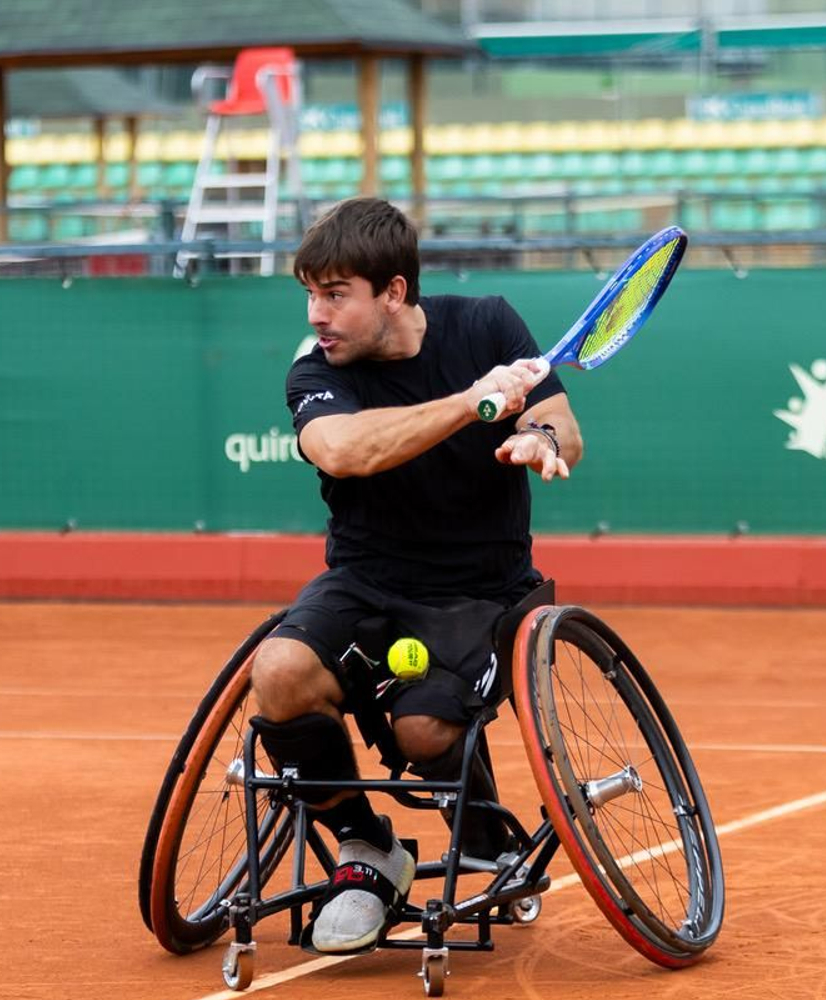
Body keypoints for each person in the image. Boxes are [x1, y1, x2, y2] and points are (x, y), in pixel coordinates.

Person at [248, 197, 583, 954]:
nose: (316, 313)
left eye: (335, 294)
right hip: (363, 582)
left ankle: (489, 825)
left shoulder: (488, 325)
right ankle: (369, 851)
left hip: (482, 589)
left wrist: (536, 436)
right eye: (309, 293)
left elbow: (564, 426)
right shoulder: (315, 369)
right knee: (277, 671)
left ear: (394, 292)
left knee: (423, 728)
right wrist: (473, 403)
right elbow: (344, 452)